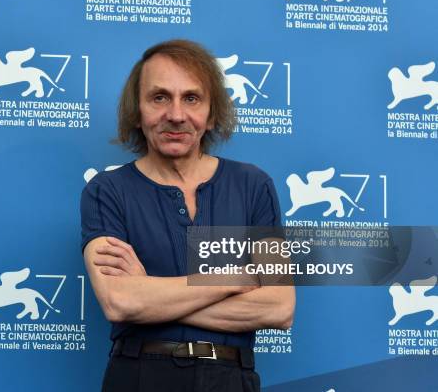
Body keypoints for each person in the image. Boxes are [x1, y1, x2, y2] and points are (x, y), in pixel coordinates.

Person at [80, 39, 295, 392]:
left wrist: (149, 294)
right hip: (138, 377)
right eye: (159, 97)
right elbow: (120, 301)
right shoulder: (107, 190)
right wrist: (235, 278)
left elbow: (279, 307)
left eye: (191, 98)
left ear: (212, 114)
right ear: (137, 111)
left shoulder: (254, 185)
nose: (176, 115)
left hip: (230, 379)